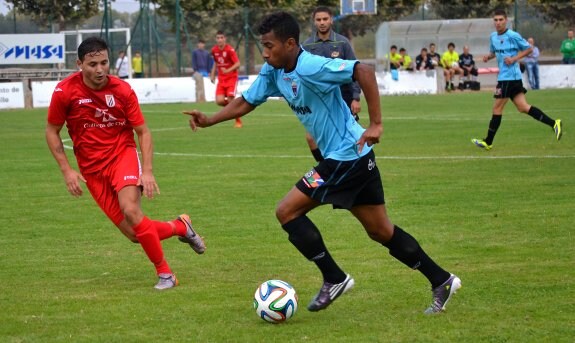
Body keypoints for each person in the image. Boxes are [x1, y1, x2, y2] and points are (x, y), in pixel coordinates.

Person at [184, 11, 461, 314]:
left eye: (269, 46)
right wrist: (210, 120)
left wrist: (376, 124)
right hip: (355, 157)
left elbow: (364, 72)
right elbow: (248, 100)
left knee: (286, 211)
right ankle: (441, 279)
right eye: (262, 46)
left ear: (290, 44)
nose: (264, 53)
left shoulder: (312, 66)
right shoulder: (273, 71)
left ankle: (334, 277)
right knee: (381, 231)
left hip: (346, 157)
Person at [45, 37, 206, 290]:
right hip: (92, 170)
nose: (100, 69)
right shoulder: (65, 92)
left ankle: (166, 274)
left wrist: (149, 171)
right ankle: (180, 226)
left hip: (122, 155)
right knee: (134, 234)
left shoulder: (122, 90)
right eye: (93, 64)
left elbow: (143, 131)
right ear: (79, 64)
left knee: (131, 210)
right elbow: (52, 131)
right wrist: (67, 170)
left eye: (104, 63)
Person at [472, 9, 562, 150]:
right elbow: (494, 52)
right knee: (523, 107)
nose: (498, 22)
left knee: (497, 108)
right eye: (495, 20)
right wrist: (487, 57)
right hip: (508, 77)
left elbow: (529, 49)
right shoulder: (493, 37)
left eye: (501, 19)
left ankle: (488, 142)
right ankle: (554, 123)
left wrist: (514, 59)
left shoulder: (513, 35)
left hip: (509, 77)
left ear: (506, 20)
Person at [302, 6, 361, 162]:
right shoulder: (306, 46)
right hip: (318, 101)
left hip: (344, 99)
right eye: (318, 20)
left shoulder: (342, 43)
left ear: (331, 20)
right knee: (311, 137)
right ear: (314, 22)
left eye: (325, 19)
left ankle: (356, 167)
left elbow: (356, 70)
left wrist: (356, 97)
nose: (322, 23)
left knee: (350, 138)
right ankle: (326, 167)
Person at [210, 31, 242, 128]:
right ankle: (234, 110)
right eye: (218, 38)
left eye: (221, 38)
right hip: (221, 79)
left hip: (231, 78)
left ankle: (238, 120)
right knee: (219, 101)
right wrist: (212, 74)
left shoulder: (230, 50)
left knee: (230, 99)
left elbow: (238, 64)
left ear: (225, 39)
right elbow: (216, 63)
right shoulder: (214, 50)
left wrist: (227, 70)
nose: (219, 40)